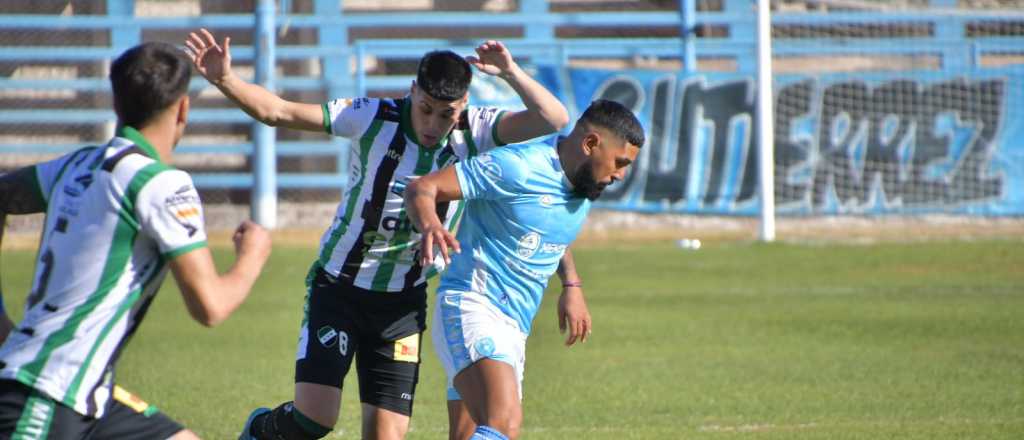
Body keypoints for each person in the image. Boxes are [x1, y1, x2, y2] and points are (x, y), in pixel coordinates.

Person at [184, 28, 588, 440]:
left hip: (402, 305)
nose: (433, 124)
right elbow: (279, 111)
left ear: (462, 105)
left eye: (445, 114)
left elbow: (554, 119)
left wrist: (510, 72)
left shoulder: (477, 129)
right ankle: (260, 429)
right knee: (314, 420)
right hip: (338, 289)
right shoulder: (372, 117)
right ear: (412, 91)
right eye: (426, 108)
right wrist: (224, 80)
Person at [0, 41, 272, 439]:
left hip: (85, 393)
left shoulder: (76, 165)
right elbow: (210, 306)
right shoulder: (162, 184)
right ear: (183, 109)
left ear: (115, 103)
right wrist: (253, 255)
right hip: (43, 395)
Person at [405, 99, 645, 440]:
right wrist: (431, 225)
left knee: (472, 432)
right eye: (619, 162)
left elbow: (548, 231)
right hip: (473, 305)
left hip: (515, 326)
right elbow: (423, 187)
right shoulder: (518, 167)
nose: (620, 174)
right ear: (590, 143)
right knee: (504, 424)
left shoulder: (584, 182)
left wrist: (571, 286)